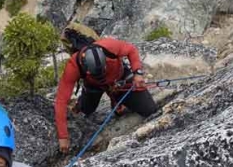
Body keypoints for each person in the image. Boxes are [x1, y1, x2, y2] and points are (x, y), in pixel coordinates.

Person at [55, 22, 158, 153]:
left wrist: (137, 73)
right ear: (86, 70)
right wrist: (63, 136)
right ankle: (81, 103)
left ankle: (116, 99)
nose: (101, 73)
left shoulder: (109, 46)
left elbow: (131, 50)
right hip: (94, 85)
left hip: (119, 78)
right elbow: (61, 101)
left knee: (149, 109)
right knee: (86, 110)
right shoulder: (73, 66)